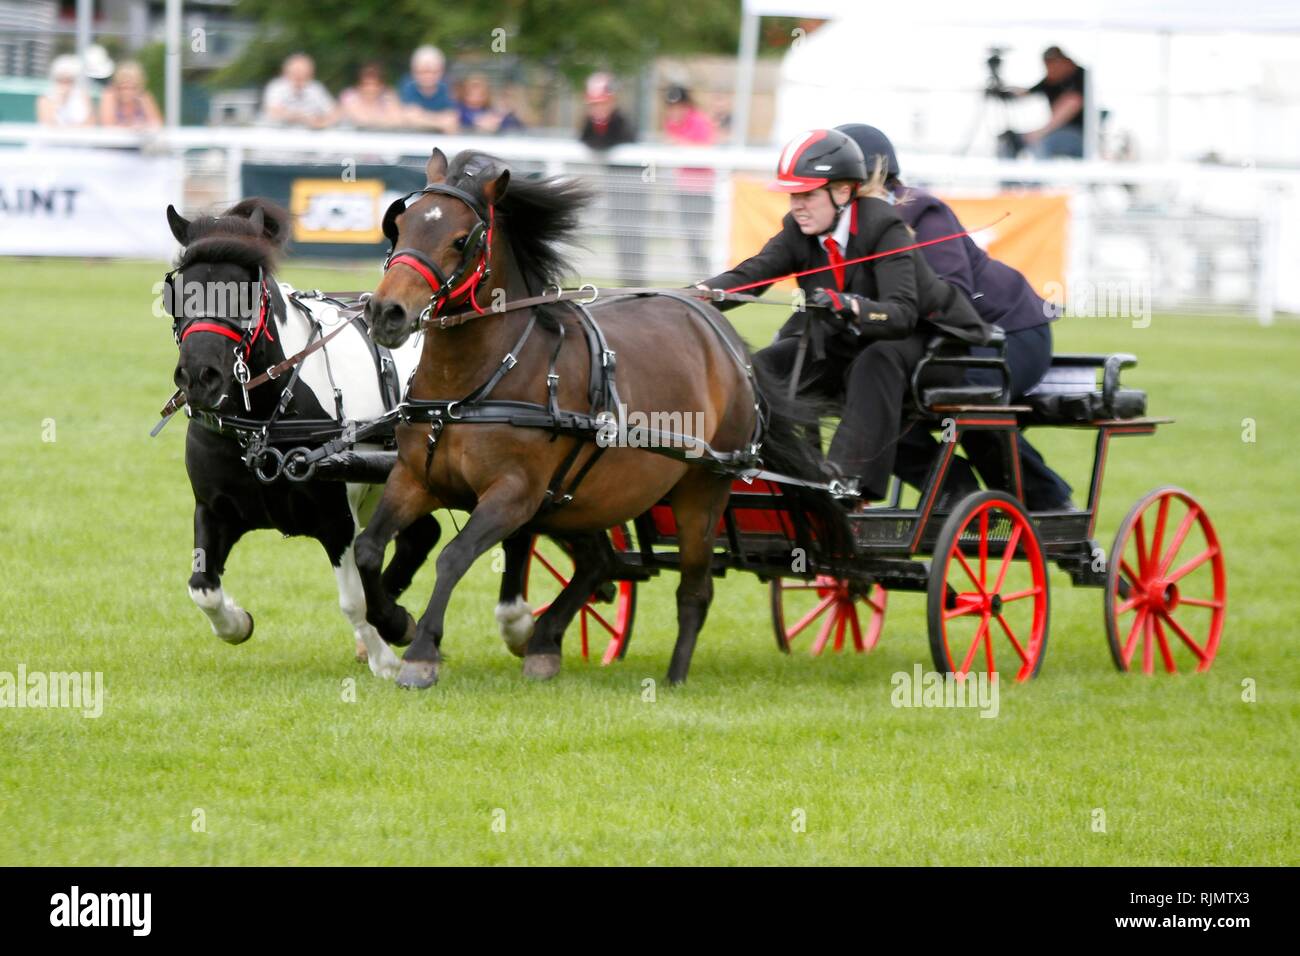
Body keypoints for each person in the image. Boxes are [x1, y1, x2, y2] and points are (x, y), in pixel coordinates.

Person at [696, 129, 989, 503]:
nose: (797, 205)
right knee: (764, 370)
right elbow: (753, 275)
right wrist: (695, 297)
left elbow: (900, 315)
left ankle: (846, 480)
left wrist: (852, 306)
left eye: (808, 194)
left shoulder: (884, 226)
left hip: (933, 342)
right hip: (853, 342)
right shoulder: (797, 228)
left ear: (843, 191)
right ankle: (766, 470)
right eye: (792, 195)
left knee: (876, 360)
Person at [836, 123, 1074, 510]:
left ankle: (1047, 503)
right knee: (871, 397)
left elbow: (952, 292)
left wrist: (877, 314)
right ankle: (951, 486)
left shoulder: (922, 211)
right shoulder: (841, 225)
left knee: (965, 403)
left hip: (1007, 330)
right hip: (935, 339)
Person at [578, 72, 644, 285]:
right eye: (594, 104)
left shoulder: (622, 122)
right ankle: (626, 278)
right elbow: (586, 140)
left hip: (632, 187)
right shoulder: (590, 123)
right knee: (619, 233)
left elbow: (610, 143)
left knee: (632, 234)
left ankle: (634, 279)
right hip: (614, 185)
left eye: (602, 103)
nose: (598, 109)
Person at [662, 84, 715, 277]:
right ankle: (701, 273)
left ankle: (707, 272)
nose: (674, 111)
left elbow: (706, 150)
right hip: (682, 188)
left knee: (698, 236)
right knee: (690, 237)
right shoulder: (671, 123)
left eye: (678, 106)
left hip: (701, 190)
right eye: (671, 106)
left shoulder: (699, 121)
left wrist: (680, 144)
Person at [999, 46, 1086, 159]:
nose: (1048, 70)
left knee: (1041, 143)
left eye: (1050, 65)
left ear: (1063, 62)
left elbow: (1073, 102)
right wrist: (1006, 90)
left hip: (1080, 134)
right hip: (1055, 131)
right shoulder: (1052, 80)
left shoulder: (1080, 76)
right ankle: (1009, 176)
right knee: (1009, 141)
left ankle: (1040, 177)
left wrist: (1041, 132)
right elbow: (1026, 93)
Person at [261, 53, 337, 128]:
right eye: (296, 71)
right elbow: (273, 112)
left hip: (311, 136)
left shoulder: (316, 88)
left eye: (304, 72)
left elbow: (333, 113)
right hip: (276, 133)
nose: (299, 75)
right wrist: (304, 118)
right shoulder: (276, 86)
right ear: (286, 72)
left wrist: (321, 123)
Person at [399, 45, 458, 132]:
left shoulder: (446, 88)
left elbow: (451, 119)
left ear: (441, 71)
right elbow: (409, 117)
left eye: (433, 72)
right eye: (423, 71)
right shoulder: (408, 86)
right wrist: (439, 121)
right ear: (414, 71)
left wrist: (422, 117)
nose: (428, 76)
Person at [98, 61, 161, 130]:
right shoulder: (110, 94)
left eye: (133, 88)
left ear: (139, 86)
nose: (128, 92)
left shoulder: (144, 96)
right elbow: (107, 126)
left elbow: (157, 124)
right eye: (124, 87)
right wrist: (132, 127)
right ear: (117, 85)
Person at [339, 62, 403, 129]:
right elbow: (360, 119)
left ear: (381, 86)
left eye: (374, 85)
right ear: (359, 86)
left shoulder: (388, 96)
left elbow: (398, 120)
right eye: (366, 84)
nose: (370, 89)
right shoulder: (350, 97)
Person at [37, 55, 93, 128]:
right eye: (61, 80)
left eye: (69, 80)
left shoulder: (83, 96)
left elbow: (90, 125)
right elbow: (48, 125)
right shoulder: (45, 99)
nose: (65, 85)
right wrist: (59, 103)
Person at [456, 74, 523, 133]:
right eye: (473, 87)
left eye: (479, 87)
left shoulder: (491, 110)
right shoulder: (458, 110)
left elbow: (515, 126)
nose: (476, 93)